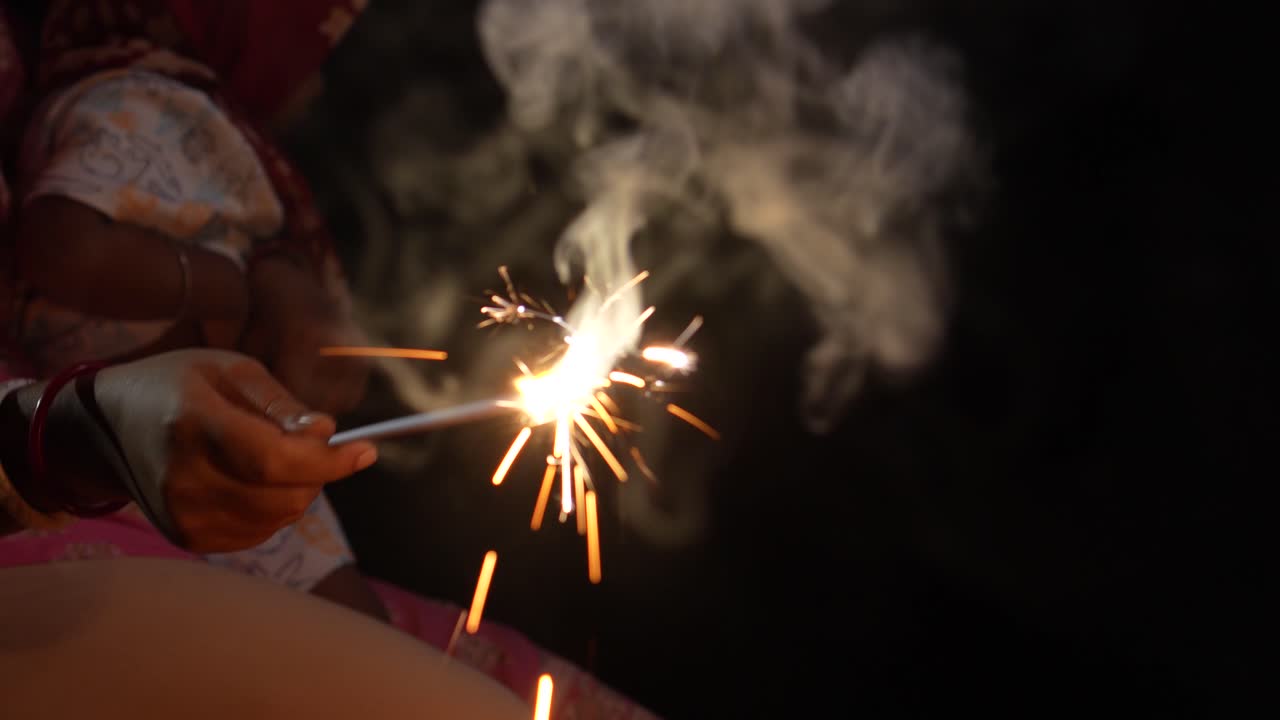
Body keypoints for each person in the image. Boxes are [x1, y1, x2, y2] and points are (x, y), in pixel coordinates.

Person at [1, 2, 660, 716]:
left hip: (185, 443)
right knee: (403, 680)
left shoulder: (195, 129)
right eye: (312, 35)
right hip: (155, 471)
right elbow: (65, 249)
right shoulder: (150, 106)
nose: (320, 75)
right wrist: (234, 290)